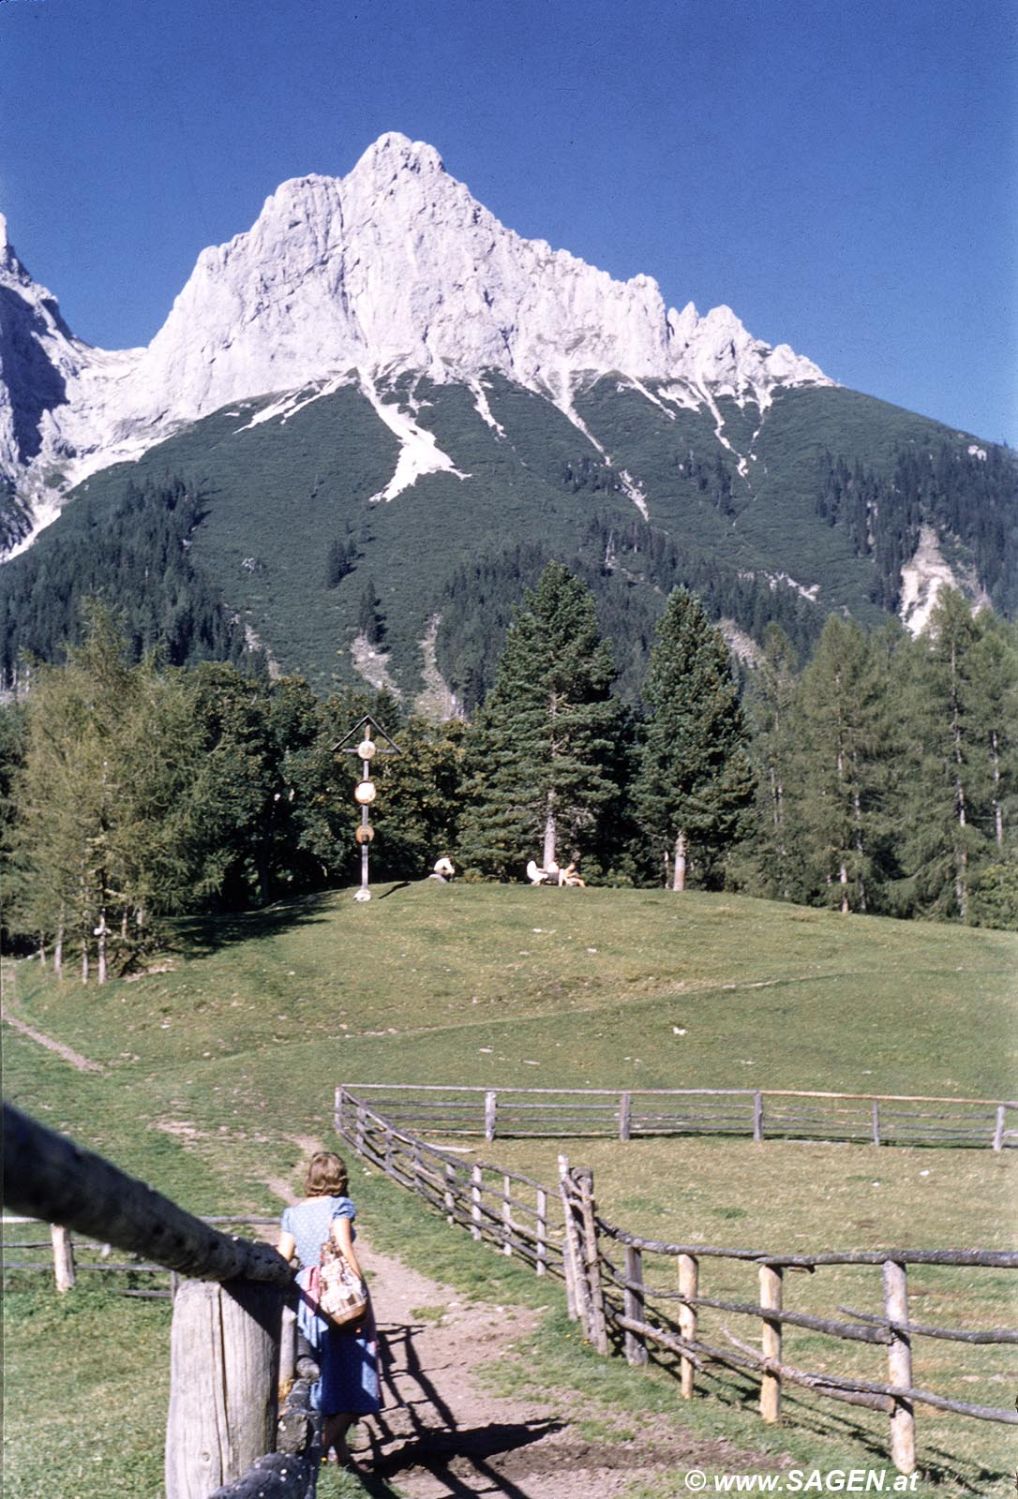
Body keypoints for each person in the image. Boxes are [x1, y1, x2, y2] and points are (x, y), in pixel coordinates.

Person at [278, 1151, 379, 1467]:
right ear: (340, 1180)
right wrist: (359, 1292)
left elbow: (284, 1255)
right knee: (355, 1377)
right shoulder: (339, 1207)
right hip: (337, 1295)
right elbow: (343, 1245)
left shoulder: (292, 1214)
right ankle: (318, 1449)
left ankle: (340, 1456)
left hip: (307, 1297)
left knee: (319, 1371)